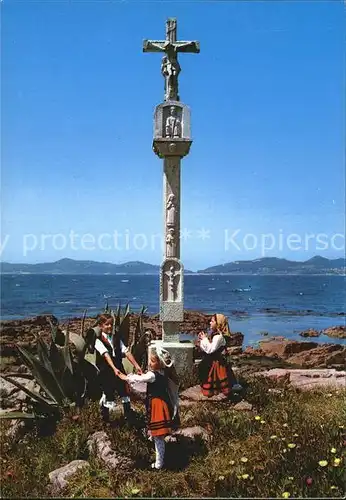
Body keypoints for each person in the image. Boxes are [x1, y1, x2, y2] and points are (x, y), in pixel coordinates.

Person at [118, 348, 179, 470]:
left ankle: (159, 464)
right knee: (158, 435)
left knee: (158, 437)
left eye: (152, 361)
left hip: (157, 405)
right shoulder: (162, 373)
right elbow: (146, 377)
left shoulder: (152, 375)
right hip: (162, 404)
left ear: (159, 363)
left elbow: (141, 379)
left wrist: (126, 377)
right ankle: (159, 454)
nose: (149, 363)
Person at [94, 313, 142, 422]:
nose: (110, 326)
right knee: (108, 392)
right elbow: (106, 355)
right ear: (101, 326)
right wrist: (114, 368)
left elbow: (126, 351)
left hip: (119, 368)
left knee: (124, 391)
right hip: (106, 371)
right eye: (107, 324)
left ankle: (128, 417)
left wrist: (136, 365)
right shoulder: (98, 340)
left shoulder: (116, 338)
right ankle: (105, 420)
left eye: (111, 324)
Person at [197, 313, 241, 398]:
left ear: (218, 324)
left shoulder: (218, 337)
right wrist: (203, 339)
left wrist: (204, 339)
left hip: (217, 363)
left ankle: (219, 391)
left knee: (215, 381)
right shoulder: (215, 335)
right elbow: (208, 349)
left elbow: (210, 350)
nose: (210, 323)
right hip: (215, 361)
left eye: (212, 321)